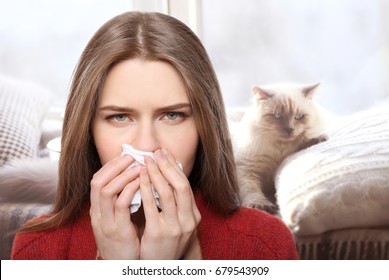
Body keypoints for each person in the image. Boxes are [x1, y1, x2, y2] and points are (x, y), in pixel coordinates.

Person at [11, 11, 298, 260]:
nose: (147, 144)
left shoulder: (265, 244)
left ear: (204, 127)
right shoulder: (38, 248)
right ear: (88, 131)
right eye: (119, 117)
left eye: (172, 115)